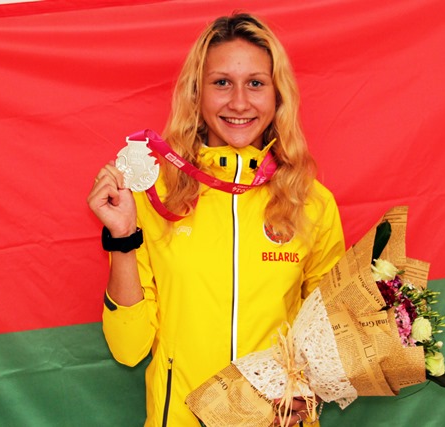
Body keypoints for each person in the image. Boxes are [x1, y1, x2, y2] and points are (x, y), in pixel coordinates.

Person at [87, 12, 344, 427]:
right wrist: (123, 238)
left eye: (256, 83)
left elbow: (333, 335)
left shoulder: (311, 202)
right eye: (222, 82)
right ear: (197, 93)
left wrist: (307, 392)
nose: (239, 102)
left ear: (278, 95)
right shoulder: (154, 196)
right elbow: (128, 348)